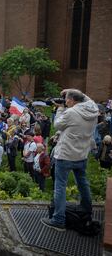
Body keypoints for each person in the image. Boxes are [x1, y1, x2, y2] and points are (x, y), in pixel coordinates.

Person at [41, 89, 98, 231]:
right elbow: (86, 98)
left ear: (73, 100)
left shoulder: (70, 113)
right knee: (82, 182)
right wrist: (73, 91)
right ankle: (86, 208)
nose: (65, 102)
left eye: (66, 99)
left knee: (60, 186)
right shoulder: (94, 109)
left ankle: (58, 219)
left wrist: (60, 110)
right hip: (82, 154)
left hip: (66, 155)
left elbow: (57, 125)